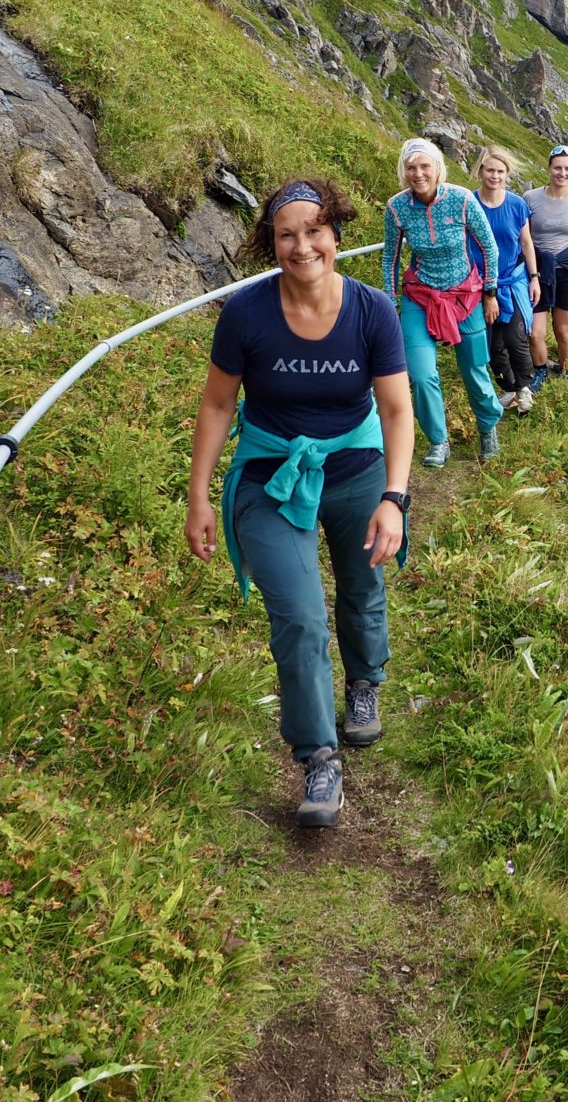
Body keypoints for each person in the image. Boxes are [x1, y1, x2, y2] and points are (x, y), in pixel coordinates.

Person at [186, 178, 414, 829]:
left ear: (335, 234)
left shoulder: (372, 311)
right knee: (301, 617)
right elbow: (218, 404)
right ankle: (318, 756)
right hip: (270, 477)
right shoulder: (246, 314)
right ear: (271, 243)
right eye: (286, 234)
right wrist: (199, 495)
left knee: (361, 587)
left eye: (314, 230)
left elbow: (397, 411)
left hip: (356, 467)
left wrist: (394, 498)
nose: (302, 246)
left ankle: (365, 681)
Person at [382, 137, 504, 467]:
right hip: (420, 296)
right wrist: (390, 302)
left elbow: (489, 247)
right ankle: (438, 440)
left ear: (437, 168)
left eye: (425, 166)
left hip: (465, 295)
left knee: (474, 368)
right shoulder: (396, 208)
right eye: (411, 167)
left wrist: (490, 292)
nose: (418, 173)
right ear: (404, 171)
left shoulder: (462, 200)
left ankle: (488, 427)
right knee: (421, 374)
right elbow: (390, 257)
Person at [472, 145, 541, 413]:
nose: (495, 176)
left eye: (500, 171)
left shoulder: (517, 204)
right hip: (479, 284)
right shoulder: (469, 203)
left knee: (516, 337)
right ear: (481, 171)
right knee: (492, 343)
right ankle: (509, 387)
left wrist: (534, 277)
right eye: (490, 170)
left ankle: (524, 389)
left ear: (507, 173)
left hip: (511, 281)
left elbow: (526, 242)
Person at [525, 144, 568, 384]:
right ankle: (540, 371)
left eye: (567, 169)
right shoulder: (530, 198)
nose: (562, 173)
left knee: (563, 329)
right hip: (537, 271)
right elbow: (524, 238)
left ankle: (567, 374)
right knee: (535, 331)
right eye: (557, 168)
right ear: (549, 168)